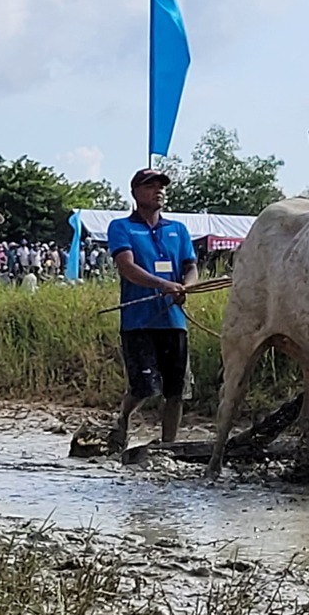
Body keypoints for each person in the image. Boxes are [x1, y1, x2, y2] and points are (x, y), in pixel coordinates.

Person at [106, 168, 197, 451]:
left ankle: (169, 445)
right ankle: (123, 419)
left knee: (175, 390)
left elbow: (190, 266)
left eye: (161, 186)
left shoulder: (178, 230)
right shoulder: (121, 227)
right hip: (138, 322)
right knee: (144, 386)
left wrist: (187, 287)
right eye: (150, 186)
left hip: (173, 320)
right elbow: (127, 267)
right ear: (135, 193)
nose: (158, 191)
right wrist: (163, 284)